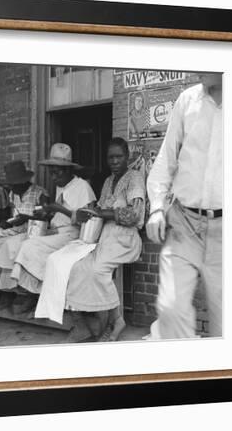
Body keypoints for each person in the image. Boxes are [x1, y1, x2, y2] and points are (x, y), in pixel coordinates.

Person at [34, 138, 145, 342]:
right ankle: (83, 323)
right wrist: (88, 213)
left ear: (127, 157)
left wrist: (103, 213)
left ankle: (115, 321)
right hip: (103, 236)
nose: (114, 161)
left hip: (124, 239)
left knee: (97, 270)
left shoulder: (135, 178)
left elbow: (135, 215)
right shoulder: (108, 182)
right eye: (110, 157)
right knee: (74, 265)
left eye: (118, 156)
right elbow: (98, 209)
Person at [146, 74, 223, 339]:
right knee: (170, 309)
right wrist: (156, 207)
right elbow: (166, 159)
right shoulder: (187, 100)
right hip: (184, 223)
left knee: (231, 327)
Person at [10, 143, 97, 314]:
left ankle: (38, 297)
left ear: (68, 170)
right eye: (51, 172)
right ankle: (32, 295)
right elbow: (59, 215)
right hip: (58, 231)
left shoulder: (82, 187)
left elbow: (88, 219)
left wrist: (58, 208)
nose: (53, 176)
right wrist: (48, 213)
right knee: (24, 241)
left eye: (58, 172)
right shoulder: (62, 186)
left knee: (30, 247)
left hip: (74, 236)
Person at [0, 160, 48, 310]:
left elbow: (47, 217)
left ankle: (13, 293)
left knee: (7, 247)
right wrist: (7, 222)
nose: (11, 188)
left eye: (14, 184)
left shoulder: (39, 193)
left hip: (34, 231)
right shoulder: (13, 194)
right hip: (17, 229)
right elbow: (12, 215)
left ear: (24, 181)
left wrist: (28, 218)